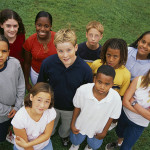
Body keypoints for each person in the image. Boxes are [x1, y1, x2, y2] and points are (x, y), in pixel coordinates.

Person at [37, 28, 93, 146]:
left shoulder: (85, 70)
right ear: (56, 49)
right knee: (50, 123)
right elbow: (41, 83)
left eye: (69, 50)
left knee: (66, 126)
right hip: (51, 105)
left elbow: (87, 93)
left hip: (71, 107)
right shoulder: (48, 63)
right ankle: (49, 134)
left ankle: (64, 136)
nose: (65, 55)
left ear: (76, 47)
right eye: (60, 51)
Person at [69, 65, 122, 150]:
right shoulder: (82, 90)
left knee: (94, 144)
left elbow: (112, 117)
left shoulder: (116, 98)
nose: (102, 87)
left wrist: (104, 132)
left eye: (107, 84)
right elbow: (77, 107)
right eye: (99, 82)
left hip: (98, 129)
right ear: (94, 79)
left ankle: (89, 147)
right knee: (75, 139)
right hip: (80, 124)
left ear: (112, 84)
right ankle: (75, 145)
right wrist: (72, 124)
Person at [105, 69, 150, 150]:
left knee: (126, 147)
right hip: (125, 114)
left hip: (139, 124)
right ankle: (119, 143)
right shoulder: (139, 80)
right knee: (119, 132)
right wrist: (144, 112)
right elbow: (125, 102)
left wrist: (134, 103)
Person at [11, 82, 56, 150]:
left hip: (44, 145)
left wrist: (28, 144)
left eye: (47, 101)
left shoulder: (50, 111)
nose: (42, 105)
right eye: (39, 100)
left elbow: (46, 135)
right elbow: (26, 146)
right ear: (31, 97)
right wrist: (27, 145)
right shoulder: (19, 118)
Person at [23, 11, 57, 91]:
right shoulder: (30, 41)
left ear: (50, 26)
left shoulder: (57, 38)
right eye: (39, 25)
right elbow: (27, 64)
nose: (42, 29)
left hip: (55, 73)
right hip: (36, 74)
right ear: (35, 24)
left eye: (46, 26)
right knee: (40, 93)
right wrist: (27, 83)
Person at [0, 35, 25, 143]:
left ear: (9, 52)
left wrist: (18, 105)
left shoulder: (14, 63)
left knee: (10, 126)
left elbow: (21, 84)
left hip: (15, 109)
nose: (0, 55)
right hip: (3, 114)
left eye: (4, 51)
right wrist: (9, 110)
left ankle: (8, 133)